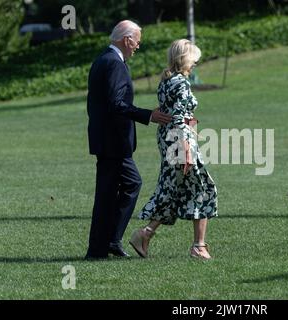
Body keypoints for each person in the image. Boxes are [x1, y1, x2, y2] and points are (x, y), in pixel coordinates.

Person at [85, 20, 172, 260]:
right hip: (113, 143)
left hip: (108, 142)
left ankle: (106, 244)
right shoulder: (113, 63)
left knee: (121, 188)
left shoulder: (104, 59)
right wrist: (149, 115)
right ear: (127, 40)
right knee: (119, 190)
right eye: (137, 43)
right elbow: (116, 104)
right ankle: (103, 245)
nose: (137, 47)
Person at [130, 39, 218, 260]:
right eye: (194, 58)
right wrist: (186, 148)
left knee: (175, 188)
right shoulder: (180, 82)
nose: (197, 62)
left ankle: (147, 234)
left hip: (168, 137)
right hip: (180, 138)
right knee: (201, 188)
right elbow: (179, 118)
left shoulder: (166, 80)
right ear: (185, 58)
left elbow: (166, 111)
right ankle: (197, 246)